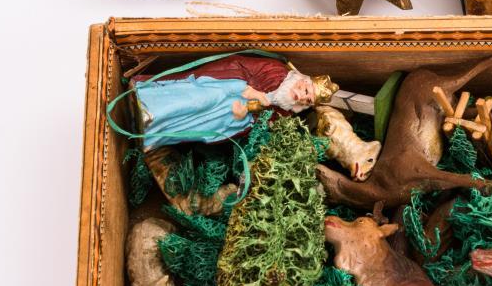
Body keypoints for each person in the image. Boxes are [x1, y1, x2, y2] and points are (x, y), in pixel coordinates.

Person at [129, 55, 339, 214]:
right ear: (303, 80)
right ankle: (152, 107)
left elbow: (259, 123)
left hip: (230, 117)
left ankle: (155, 133)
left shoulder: (284, 111)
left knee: (204, 129)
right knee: (199, 101)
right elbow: (239, 69)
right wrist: (254, 94)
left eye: (307, 101)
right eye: (305, 91)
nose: (301, 97)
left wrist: (245, 115)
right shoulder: (276, 71)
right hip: (223, 90)